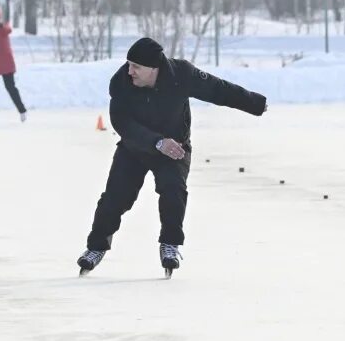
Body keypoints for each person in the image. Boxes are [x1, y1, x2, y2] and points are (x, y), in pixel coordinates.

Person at [77, 38, 267, 276]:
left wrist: (255, 103)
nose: (130, 71)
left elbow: (218, 90)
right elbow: (122, 122)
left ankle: (170, 245)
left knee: (173, 190)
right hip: (135, 147)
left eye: (136, 67)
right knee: (115, 199)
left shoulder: (181, 74)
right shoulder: (121, 82)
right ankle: (95, 248)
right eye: (128, 64)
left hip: (175, 146)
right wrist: (156, 142)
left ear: (153, 68)